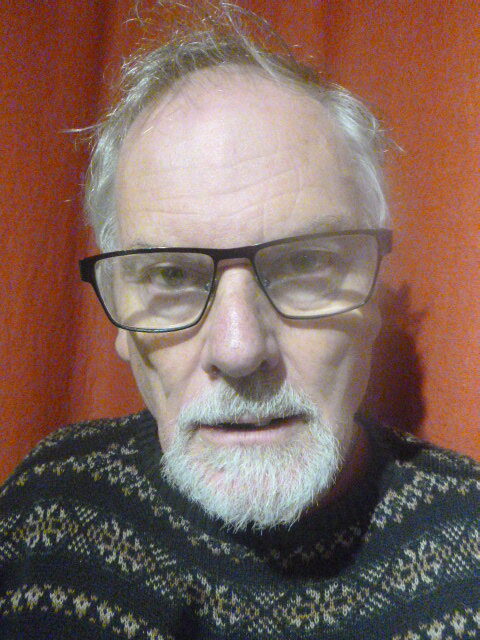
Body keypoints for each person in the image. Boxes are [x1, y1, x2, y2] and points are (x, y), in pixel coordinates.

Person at [0, 4, 478, 639]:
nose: (239, 348)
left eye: (304, 263)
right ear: (120, 323)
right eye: (171, 275)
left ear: (372, 302)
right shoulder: (48, 507)